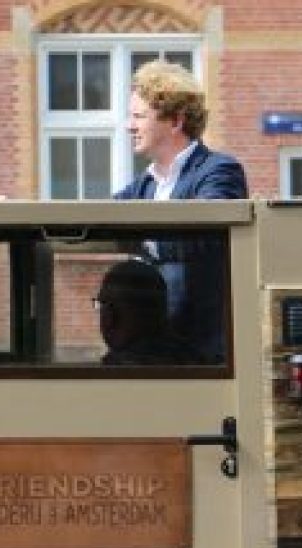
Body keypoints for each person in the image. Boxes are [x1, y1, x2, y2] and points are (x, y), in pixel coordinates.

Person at [113, 60, 248, 363]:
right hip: (158, 351)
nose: (128, 125)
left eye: (138, 116)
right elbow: (94, 217)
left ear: (175, 121)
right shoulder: (145, 185)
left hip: (203, 357)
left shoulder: (219, 171)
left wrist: (142, 238)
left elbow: (208, 231)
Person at [95, 259, 192, 365]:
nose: (105, 317)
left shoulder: (119, 370)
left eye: (104, 305)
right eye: (102, 305)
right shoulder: (192, 359)